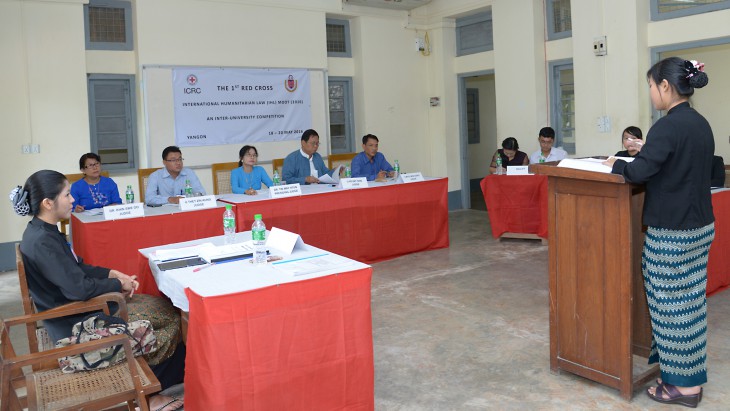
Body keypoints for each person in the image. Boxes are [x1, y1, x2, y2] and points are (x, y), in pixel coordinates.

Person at [11, 170, 185, 411]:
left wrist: (113, 274)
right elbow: (78, 289)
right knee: (169, 319)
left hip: (74, 308)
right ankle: (149, 394)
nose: (73, 200)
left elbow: (78, 267)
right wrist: (117, 286)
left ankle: (155, 386)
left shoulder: (44, 231)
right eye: (67, 195)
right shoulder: (42, 241)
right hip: (73, 321)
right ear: (48, 203)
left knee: (164, 307)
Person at [604, 57, 713, 408]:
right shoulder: (699, 123)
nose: (651, 93)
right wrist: (643, 151)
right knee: (691, 304)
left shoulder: (666, 126)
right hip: (699, 227)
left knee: (669, 308)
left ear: (665, 86)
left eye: (651, 86)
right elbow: (676, 162)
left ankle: (682, 387)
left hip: (672, 232)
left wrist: (618, 162)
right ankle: (688, 374)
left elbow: (639, 174)